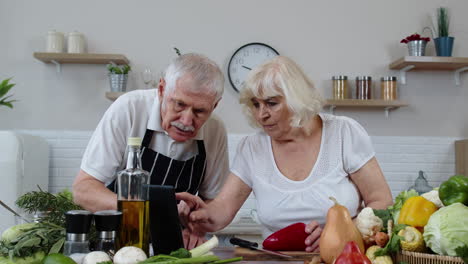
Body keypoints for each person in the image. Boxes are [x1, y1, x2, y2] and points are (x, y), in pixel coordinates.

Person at [176, 56, 393, 252]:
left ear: (297, 99)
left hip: (344, 258)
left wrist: (342, 234)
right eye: (255, 104)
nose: (262, 115)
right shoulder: (252, 147)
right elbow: (222, 211)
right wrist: (202, 214)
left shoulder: (344, 132)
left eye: (271, 103)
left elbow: (382, 201)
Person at [72, 53, 230, 248]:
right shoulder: (129, 109)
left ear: (215, 105)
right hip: (115, 242)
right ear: (162, 89)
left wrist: (195, 227)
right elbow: (83, 190)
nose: (186, 121)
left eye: (200, 111)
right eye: (179, 104)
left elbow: (214, 203)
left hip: (172, 246)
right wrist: (148, 211)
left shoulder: (215, 131)